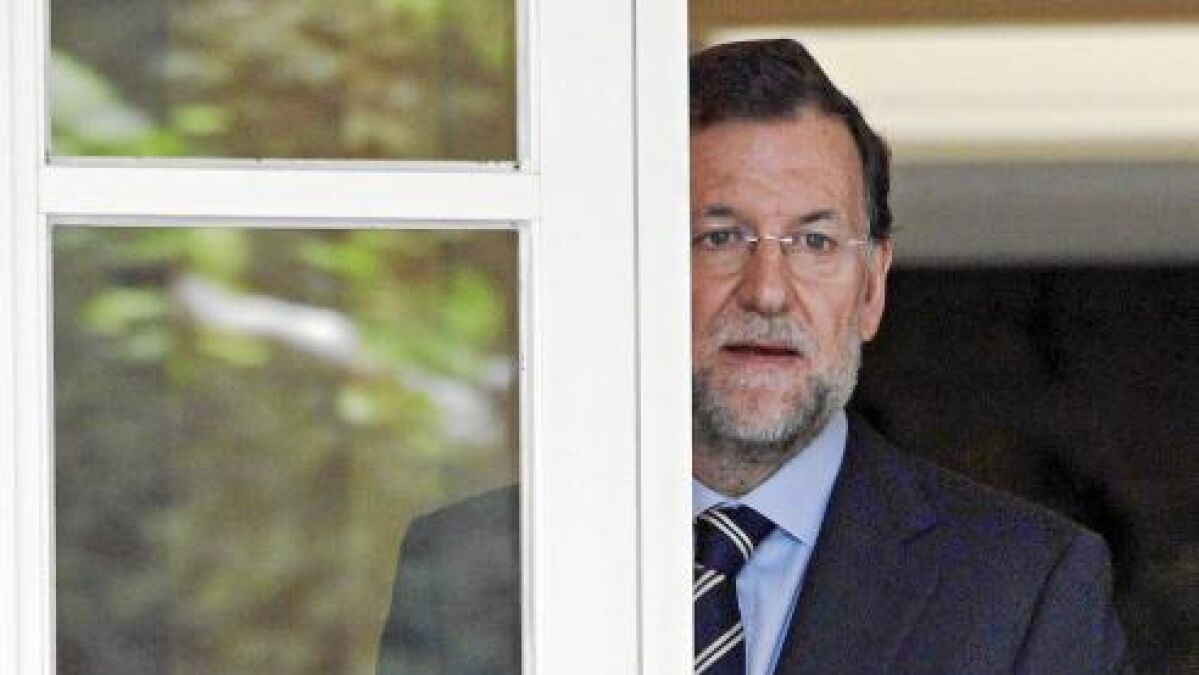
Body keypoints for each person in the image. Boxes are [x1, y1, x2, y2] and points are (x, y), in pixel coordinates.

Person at [378, 39, 1131, 674]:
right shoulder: (466, 569)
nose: (767, 291)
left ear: (871, 288)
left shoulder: (1025, 586)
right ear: (630, 269)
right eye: (719, 237)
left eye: (814, 241)